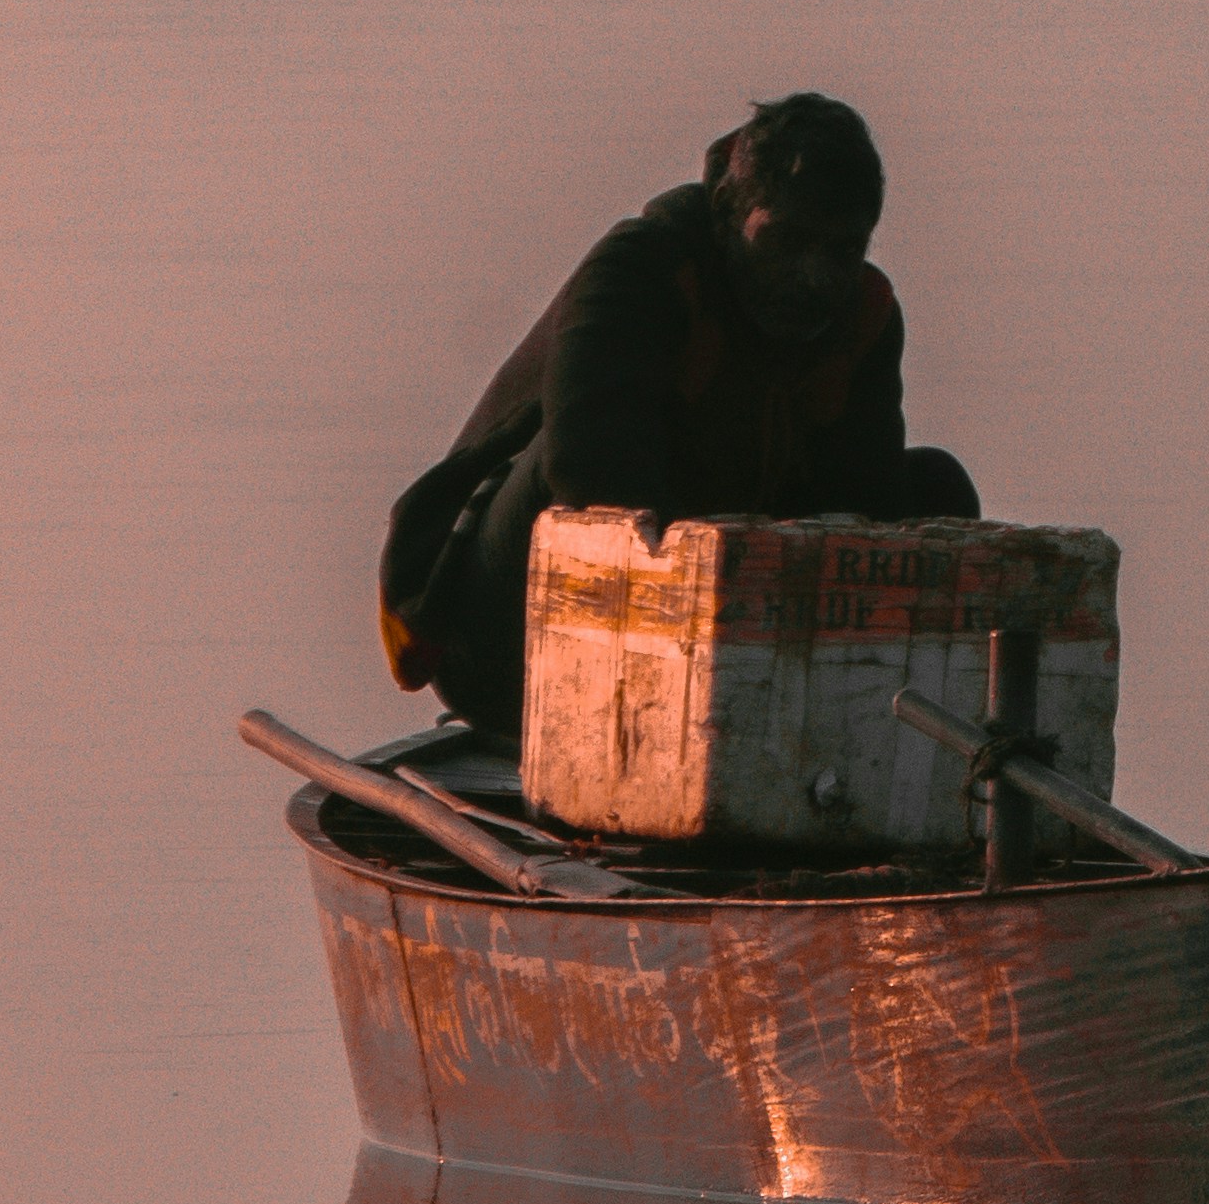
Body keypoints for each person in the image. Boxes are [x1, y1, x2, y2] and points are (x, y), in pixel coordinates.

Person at [376, 93, 979, 742]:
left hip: (720, 627)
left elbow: (866, 511)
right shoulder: (644, 268)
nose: (814, 277)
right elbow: (591, 473)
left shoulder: (861, 319)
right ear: (728, 212)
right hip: (507, 638)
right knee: (583, 473)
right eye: (787, 241)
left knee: (936, 492)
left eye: (841, 251)